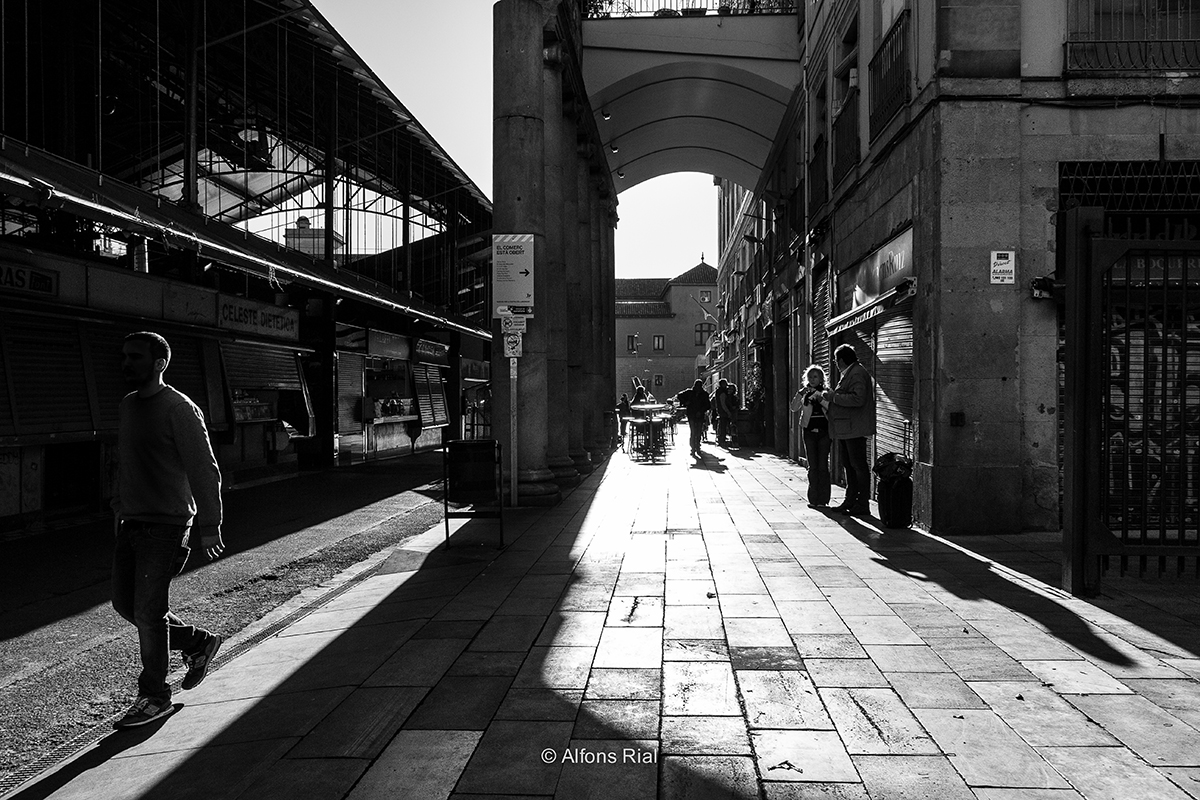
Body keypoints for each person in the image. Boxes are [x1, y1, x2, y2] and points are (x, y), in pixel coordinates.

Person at [111, 331, 225, 729]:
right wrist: (118, 508)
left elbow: (203, 467)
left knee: (148, 610)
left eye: (136, 357)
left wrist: (210, 525)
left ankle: (154, 695)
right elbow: (125, 463)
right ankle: (197, 642)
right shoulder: (128, 406)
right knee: (126, 605)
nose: (127, 363)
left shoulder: (179, 407)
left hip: (168, 523)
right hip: (133, 521)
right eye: (125, 356)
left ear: (159, 363)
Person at [822, 344, 876, 516]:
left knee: (858, 465)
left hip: (855, 427)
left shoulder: (857, 373)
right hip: (847, 428)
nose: (835, 363)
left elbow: (858, 399)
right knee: (849, 465)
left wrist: (833, 397)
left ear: (842, 360)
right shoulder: (850, 373)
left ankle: (862, 503)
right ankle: (850, 500)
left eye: (835, 360)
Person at [791, 365, 831, 508]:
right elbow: (794, 408)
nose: (812, 379)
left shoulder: (826, 392)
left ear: (821, 378)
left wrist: (821, 400)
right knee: (813, 465)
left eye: (815, 377)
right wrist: (800, 394)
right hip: (808, 431)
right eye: (810, 377)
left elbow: (831, 409)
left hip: (824, 432)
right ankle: (813, 498)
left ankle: (824, 499)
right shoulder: (804, 394)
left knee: (822, 465)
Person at [677, 379, 712, 456]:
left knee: (698, 431)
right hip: (692, 414)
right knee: (694, 431)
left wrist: (701, 410)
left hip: (698, 415)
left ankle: (697, 446)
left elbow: (708, 405)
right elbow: (679, 395)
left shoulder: (704, 394)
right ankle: (693, 447)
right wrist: (685, 402)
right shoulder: (690, 393)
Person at [712, 378, 736, 446]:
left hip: (721, 411)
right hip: (723, 412)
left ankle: (721, 438)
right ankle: (722, 439)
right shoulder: (722, 392)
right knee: (723, 426)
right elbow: (723, 404)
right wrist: (728, 412)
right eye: (725, 384)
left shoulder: (719, 391)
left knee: (722, 425)